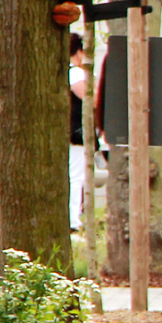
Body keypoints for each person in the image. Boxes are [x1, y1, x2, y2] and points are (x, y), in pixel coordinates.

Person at [69, 33, 90, 231]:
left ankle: (74, 216)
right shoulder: (76, 73)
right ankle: (73, 219)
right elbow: (88, 97)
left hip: (70, 132)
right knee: (76, 175)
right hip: (75, 132)